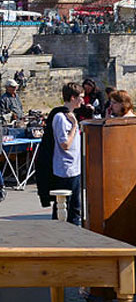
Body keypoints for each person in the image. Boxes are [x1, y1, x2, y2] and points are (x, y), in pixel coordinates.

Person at [45, 83, 84, 225]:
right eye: (80, 98)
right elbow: (65, 144)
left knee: (75, 208)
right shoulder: (61, 117)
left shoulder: (71, 115)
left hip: (75, 167)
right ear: (73, 98)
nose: (82, 101)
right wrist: (74, 126)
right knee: (66, 208)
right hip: (65, 169)